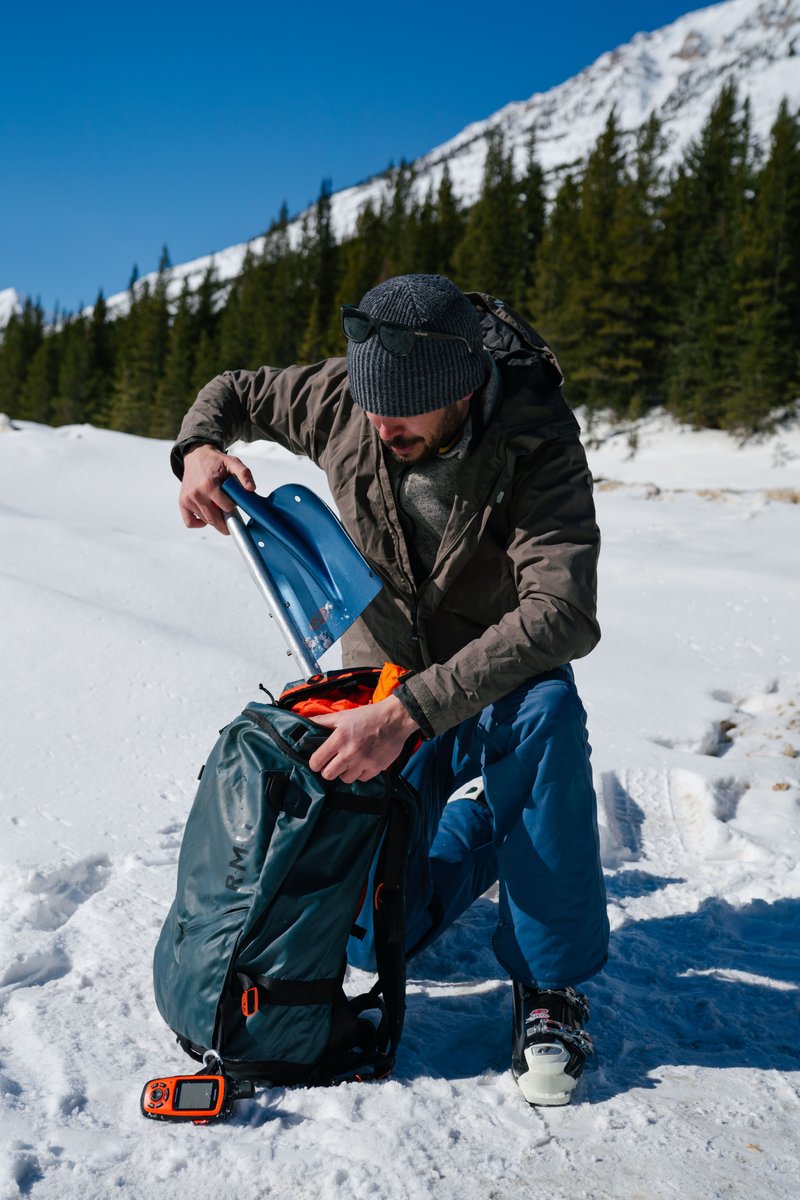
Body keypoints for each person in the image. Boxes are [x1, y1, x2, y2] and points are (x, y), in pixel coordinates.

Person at [171, 273, 609, 1107]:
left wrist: (410, 714)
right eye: (373, 405)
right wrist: (198, 447)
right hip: (377, 689)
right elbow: (232, 391)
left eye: (405, 411)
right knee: (379, 941)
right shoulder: (347, 397)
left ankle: (551, 985)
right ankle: (488, 828)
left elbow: (564, 613)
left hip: (494, 684)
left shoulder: (534, 436)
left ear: (464, 385)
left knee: (550, 711)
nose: (381, 424)